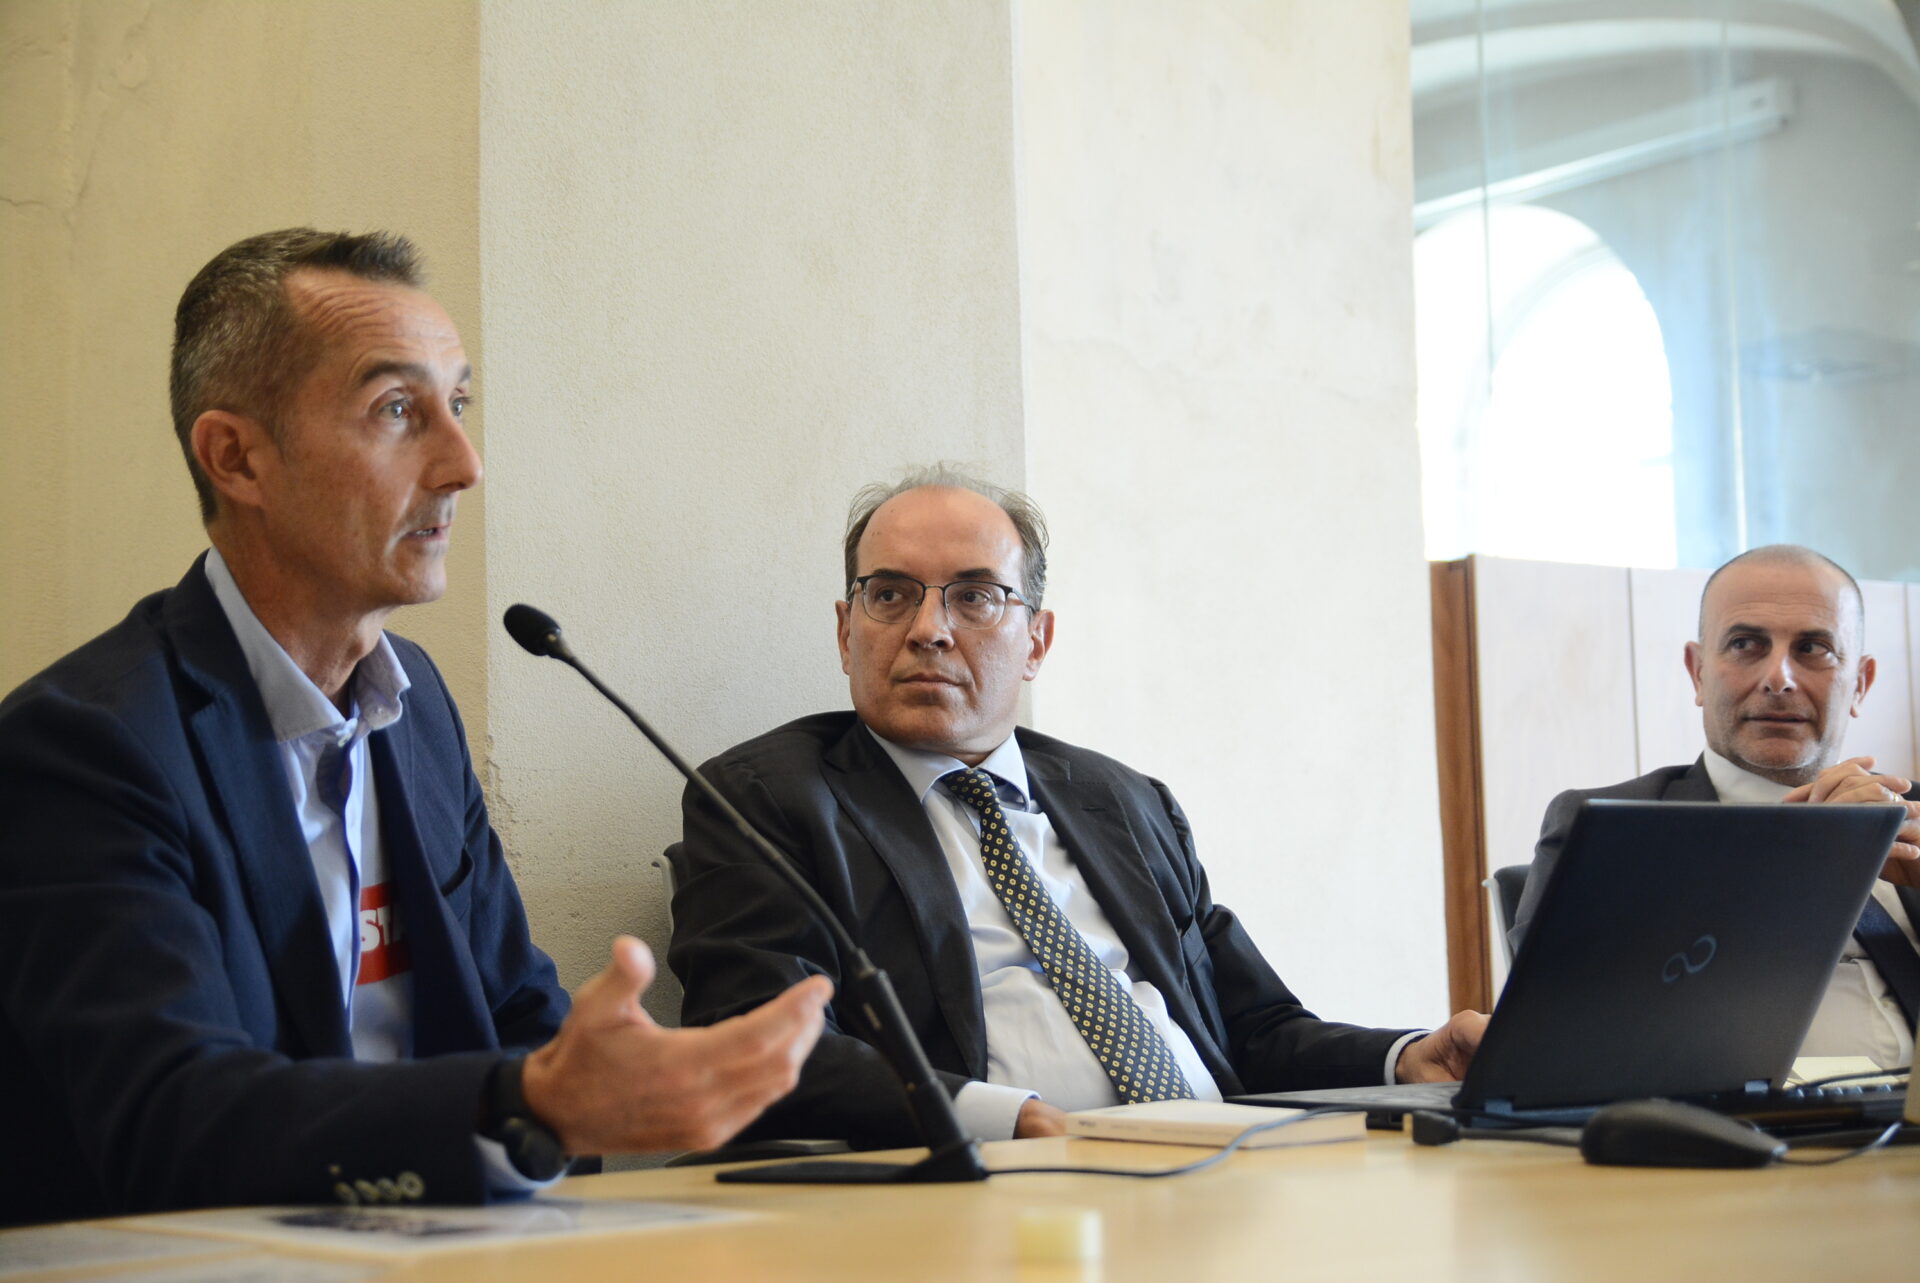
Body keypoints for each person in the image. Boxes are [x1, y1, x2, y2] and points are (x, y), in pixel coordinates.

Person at [0, 229, 830, 1226]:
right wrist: (526, 1104)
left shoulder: (414, 701)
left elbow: (518, 1013)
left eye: (459, 405)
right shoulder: (86, 746)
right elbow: (170, 1120)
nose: (463, 464)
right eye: (397, 409)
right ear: (236, 457)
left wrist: (620, 1082)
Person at [667, 467, 1485, 1149]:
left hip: (1222, 1168)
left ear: (1037, 641)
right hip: (995, 1197)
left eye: (975, 596)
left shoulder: (1127, 802)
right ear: (847, 631)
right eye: (890, 594)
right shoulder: (768, 801)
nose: (929, 629)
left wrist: (1406, 1057)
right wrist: (1002, 1117)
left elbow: (1252, 1028)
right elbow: (757, 1041)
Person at [1514, 545, 1920, 1069]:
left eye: (1813, 648)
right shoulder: (1604, 827)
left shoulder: (1909, 816)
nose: (1779, 678)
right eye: (1745, 644)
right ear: (1698, 673)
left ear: (1860, 684)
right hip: (1731, 1119)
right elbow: (1554, 1031)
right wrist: (1799, 870)